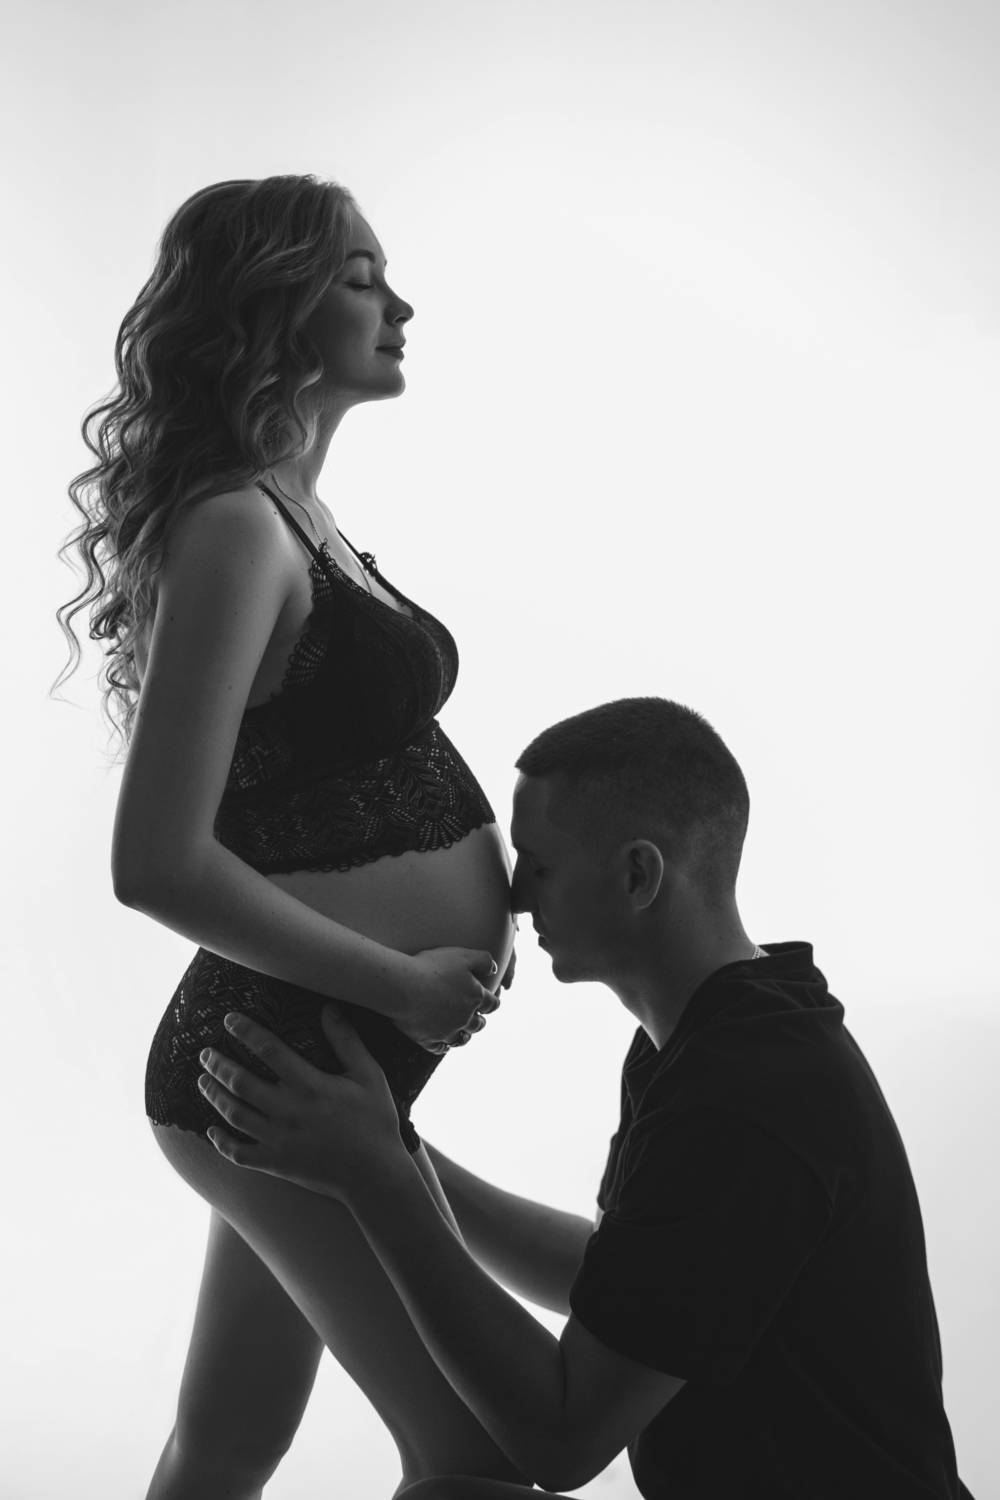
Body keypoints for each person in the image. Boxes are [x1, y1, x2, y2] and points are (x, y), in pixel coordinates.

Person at [55, 174, 530, 1499]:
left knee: (225, 1445)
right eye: (363, 278)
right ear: (270, 308)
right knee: (482, 1452)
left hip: (308, 1072)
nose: (401, 305)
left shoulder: (298, 517)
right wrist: (402, 983)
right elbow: (156, 863)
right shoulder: (233, 529)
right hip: (279, 1072)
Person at [196, 697, 973, 1500]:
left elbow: (561, 1441)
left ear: (639, 874)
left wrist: (377, 1179)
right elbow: (619, 1281)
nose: (515, 895)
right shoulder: (715, 1035)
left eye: (539, 864)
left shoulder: (749, 1094)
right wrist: (391, 1144)